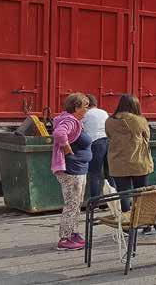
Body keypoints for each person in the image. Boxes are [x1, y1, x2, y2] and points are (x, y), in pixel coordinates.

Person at [51, 92, 93, 251]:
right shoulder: (70, 120)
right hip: (72, 171)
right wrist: (67, 148)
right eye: (85, 107)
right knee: (72, 204)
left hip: (78, 169)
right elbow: (59, 133)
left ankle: (74, 233)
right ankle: (65, 238)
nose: (87, 110)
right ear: (76, 108)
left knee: (76, 204)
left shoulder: (73, 120)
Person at [105, 94, 154, 213]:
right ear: (135, 106)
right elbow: (147, 137)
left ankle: (127, 224)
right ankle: (143, 222)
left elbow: (109, 136)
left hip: (117, 163)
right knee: (141, 194)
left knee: (123, 194)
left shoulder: (109, 121)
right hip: (139, 162)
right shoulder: (139, 120)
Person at [83, 94, 112, 199]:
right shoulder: (103, 112)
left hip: (95, 143)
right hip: (108, 141)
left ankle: (95, 201)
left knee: (95, 173)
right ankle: (111, 200)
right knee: (109, 173)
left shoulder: (85, 114)